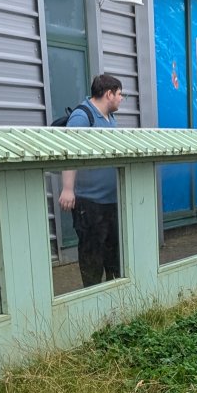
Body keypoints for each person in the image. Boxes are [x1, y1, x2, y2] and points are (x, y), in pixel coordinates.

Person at [58, 74, 124, 287]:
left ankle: (116, 299)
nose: (122, 99)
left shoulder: (109, 118)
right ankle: (92, 299)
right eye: (120, 94)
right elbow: (70, 153)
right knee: (92, 256)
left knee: (114, 256)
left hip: (111, 202)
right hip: (90, 204)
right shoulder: (81, 116)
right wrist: (67, 189)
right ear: (109, 94)